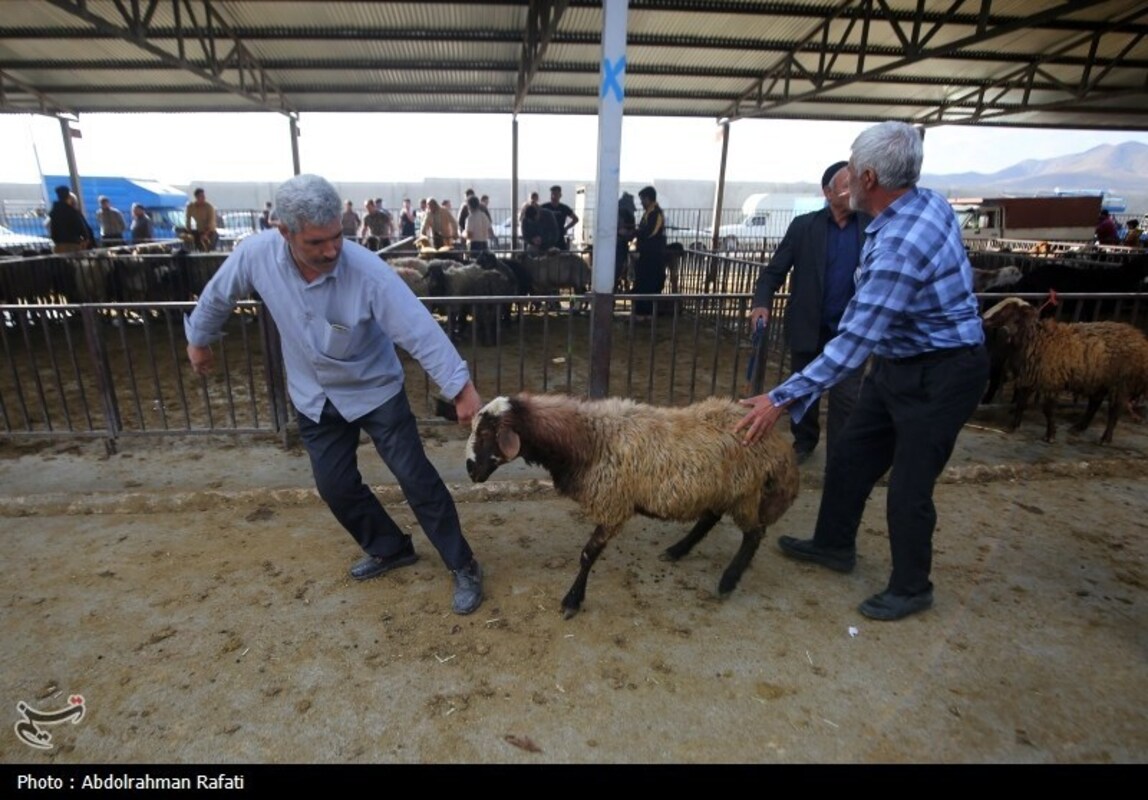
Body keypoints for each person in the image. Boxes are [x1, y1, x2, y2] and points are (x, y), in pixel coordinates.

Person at [183, 173, 485, 615]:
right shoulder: (255, 255)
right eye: (316, 242)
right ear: (283, 231)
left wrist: (461, 388)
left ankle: (463, 564)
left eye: (336, 237)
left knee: (414, 477)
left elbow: (417, 329)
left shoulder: (367, 272)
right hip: (313, 395)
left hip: (375, 389)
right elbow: (216, 297)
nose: (330, 251)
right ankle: (390, 546)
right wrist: (199, 339)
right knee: (334, 485)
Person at [735, 121, 988, 622]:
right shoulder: (924, 203)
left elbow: (851, 346)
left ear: (868, 178)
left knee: (910, 484)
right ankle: (833, 544)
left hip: (943, 372)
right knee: (850, 455)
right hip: (900, 361)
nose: (844, 175)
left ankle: (912, 587)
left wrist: (779, 398)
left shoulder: (900, 246)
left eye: (850, 167)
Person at [748, 161, 871, 466]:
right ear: (828, 192)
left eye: (855, 184)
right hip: (808, 324)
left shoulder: (871, 226)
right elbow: (773, 272)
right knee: (803, 389)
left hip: (850, 331)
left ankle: (840, 456)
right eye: (846, 185)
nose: (853, 190)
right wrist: (761, 302)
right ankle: (804, 442)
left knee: (847, 396)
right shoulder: (804, 227)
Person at [631, 185, 666, 318]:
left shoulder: (656, 213)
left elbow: (650, 232)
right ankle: (641, 313)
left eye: (642, 199)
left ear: (649, 198)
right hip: (645, 256)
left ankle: (648, 314)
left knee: (650, 284)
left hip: (653, 257)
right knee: (642, 283)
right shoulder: (648, 213)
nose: (641, 203)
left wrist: (633, 233)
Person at [47, 185, 94, 254]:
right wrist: (86, 238)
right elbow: (80, 226)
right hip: (72, 244)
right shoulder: (71, 211)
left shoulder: (54, 212)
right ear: (68, 196)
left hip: (58, 244)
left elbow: (52, 228)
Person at [541, 185, 579, 249]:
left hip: (559, 236)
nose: (553, 197)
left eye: (556, 194)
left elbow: (576, 219)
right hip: (547, 237)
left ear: (560, 195)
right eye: (552, 194)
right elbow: (535, 218)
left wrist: (566, 228)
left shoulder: (564, 208)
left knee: (562, 253)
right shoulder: (544, 207)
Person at [184, 187, 217, 251]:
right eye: (201, 196)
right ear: (196, 197)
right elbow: (188, 220)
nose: (204, 198)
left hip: (210, 232)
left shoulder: (209, 207)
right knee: (191, 243)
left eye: (204, 196)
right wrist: (188, 231)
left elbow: (211, 222)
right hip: (199, 232)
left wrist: (205, 234)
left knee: (209, 250)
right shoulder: (191, 207)